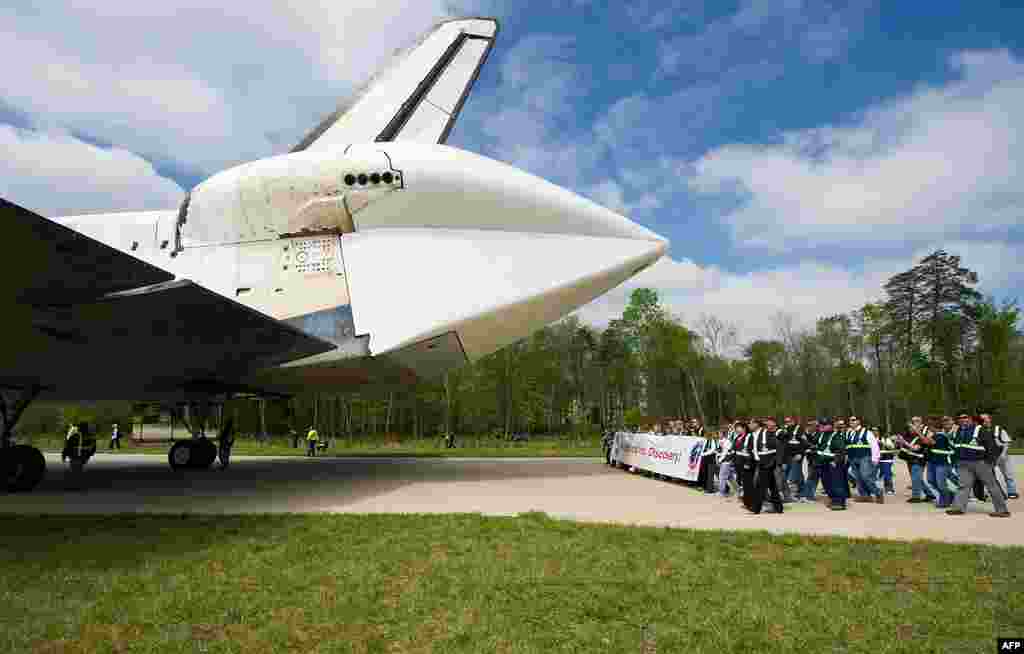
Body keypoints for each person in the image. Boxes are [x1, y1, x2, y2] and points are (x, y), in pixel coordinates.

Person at [947, 412, 1010, 517]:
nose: (962, 420)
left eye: (965, 417)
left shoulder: (980, 429)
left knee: (991, 486)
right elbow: (955, 447)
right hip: (963, 463)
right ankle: (958, 508)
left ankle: (1002, 510)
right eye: (960, 418)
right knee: (963, 486)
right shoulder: (957, 431)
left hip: (980, 463)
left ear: (971, 419)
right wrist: (955, 461)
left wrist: (991, 462)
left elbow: (992, 447)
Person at [846, 416, 883, 504]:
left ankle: (878, 492)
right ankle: (864, 495)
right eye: (850, 420)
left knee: (865, 476)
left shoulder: (867, 432)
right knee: (858, 478)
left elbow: (874, 446)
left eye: (853, 420)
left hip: (864, 457)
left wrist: (875, 459)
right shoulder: (849, 433)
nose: (851, 422)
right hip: (852, 458)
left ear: (859, 421)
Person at [982, 411, 1018, 500]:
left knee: (1008, 475)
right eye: (981, 419)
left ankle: (1012, 492)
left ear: (989, 419)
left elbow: (1006, 443)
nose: (983, 420)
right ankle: (988, 493)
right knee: (988, 476)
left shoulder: (999, 429)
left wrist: (1003, 454)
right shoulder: (980, 430)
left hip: (1002, 457)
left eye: (984, 418)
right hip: (989, 457)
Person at [751, 417, 784, 514]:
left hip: (767, 463)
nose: (750, 425)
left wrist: (776, 463)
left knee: (760, 486)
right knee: (772, 486)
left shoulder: (767, 434)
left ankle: (756, 508)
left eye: (751, 423)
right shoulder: (754, 434)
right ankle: (778, 508)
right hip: (760, 462)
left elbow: (778, 447)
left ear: (757, 424)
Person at [817, 418, 849, 510]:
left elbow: (841, 450)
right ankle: (832, 498)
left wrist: (835, 461)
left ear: (831, 426)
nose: (822, 426)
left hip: (833, 463)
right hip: (823, 462)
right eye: (821, 424)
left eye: (824, 424)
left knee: (836, 482)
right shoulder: (821, 435)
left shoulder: (836, 436)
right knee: (826, 482)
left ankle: (839, 502)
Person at [896, 422, 931, 503]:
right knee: (917, 478)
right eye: (909, 428)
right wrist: (899, 442)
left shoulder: (920, 438)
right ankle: (930, 494)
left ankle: (916, 497)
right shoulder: (908, 436)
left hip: (919, 460)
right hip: (910, 459)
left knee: (915, 478)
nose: (910, 429)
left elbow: (916, 448)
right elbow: (901, 447)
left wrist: (904, 442)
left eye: (912, 428)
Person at [925, 417, 955, 509]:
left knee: (941, 483)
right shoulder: (935, 435)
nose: (928, 428)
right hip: (932, 462)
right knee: (931, 480)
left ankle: (945, 500)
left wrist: (917, 431)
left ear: (934, 426)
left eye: (929, 426)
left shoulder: (941, 435)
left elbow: (928, 442)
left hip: (942, 463)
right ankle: (950, 494)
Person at [798, 418, 823, 503]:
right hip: (810, 459)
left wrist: (808, 445)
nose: (809, 427)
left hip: (818, 458)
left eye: (811, 425)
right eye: (808, 425)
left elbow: (817, 446)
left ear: (816, 426)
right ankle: (807, 495)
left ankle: (807, 495)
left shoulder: (820, 434)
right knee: (811, 477)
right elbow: (803, 445)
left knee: (813, 477)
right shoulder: (806, 434)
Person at [735, 421, 756, 511]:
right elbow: (734, 449)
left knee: (748, 484)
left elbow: (750, 451)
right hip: (738, 462)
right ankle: (746, 501)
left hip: (746, 463)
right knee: (742, 483)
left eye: (738, 427)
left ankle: (750, 503)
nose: (736, 429)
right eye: (736, 428)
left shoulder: (749, 437)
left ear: (744, 428)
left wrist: (748, 463)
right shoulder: (738, 437)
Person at [717, 423, 737, 497]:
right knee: (730, 477)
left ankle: (721, 492)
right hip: (722, 460)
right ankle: (738, 490)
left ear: (724, 434)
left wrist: (720, 460)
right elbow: (719, 450)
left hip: (726, 461)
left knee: (722, 476)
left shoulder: (727, 442)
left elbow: (725, 452)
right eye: (718, 433)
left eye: (720, 433)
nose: (718, 435)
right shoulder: (720, 441)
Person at [876, 431, 897, 495]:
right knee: (881, 474)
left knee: (887, 474)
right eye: (873, 430)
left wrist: (882, 443)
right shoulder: (872, 438)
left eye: (876, 430)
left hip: (887, 459)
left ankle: (890, 489)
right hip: (878, 459)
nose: (875, 432)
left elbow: (892, 447)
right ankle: (885, 488)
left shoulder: (886, 439)